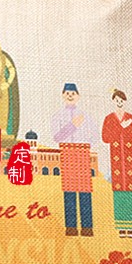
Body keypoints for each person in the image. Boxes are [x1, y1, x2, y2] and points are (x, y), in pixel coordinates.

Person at [51, 83, 98, 236]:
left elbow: (94, 135)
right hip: (67, 152)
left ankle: (87, 227)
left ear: (78, 96)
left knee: (85, 190)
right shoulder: (58, 115)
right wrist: (72, 126)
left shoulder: (85, 116)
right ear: (63, 95)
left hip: (82, 152)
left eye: (73, 93)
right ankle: (71, 227)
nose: (70, 96)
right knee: (69, 190)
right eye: (67, 93)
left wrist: (86, 143)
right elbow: (57, 137)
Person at [101, 89, 132, 238]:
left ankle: (130, 227)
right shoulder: (109, 119)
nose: (119, 103)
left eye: (121, 101)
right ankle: (121, 226)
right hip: (116, 160)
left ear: (125, 102)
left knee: (130, 190)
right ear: (113, 102)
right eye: (117, 101)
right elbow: (105, 138)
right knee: (118, 189)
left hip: (128, 161)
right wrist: (121, 128)